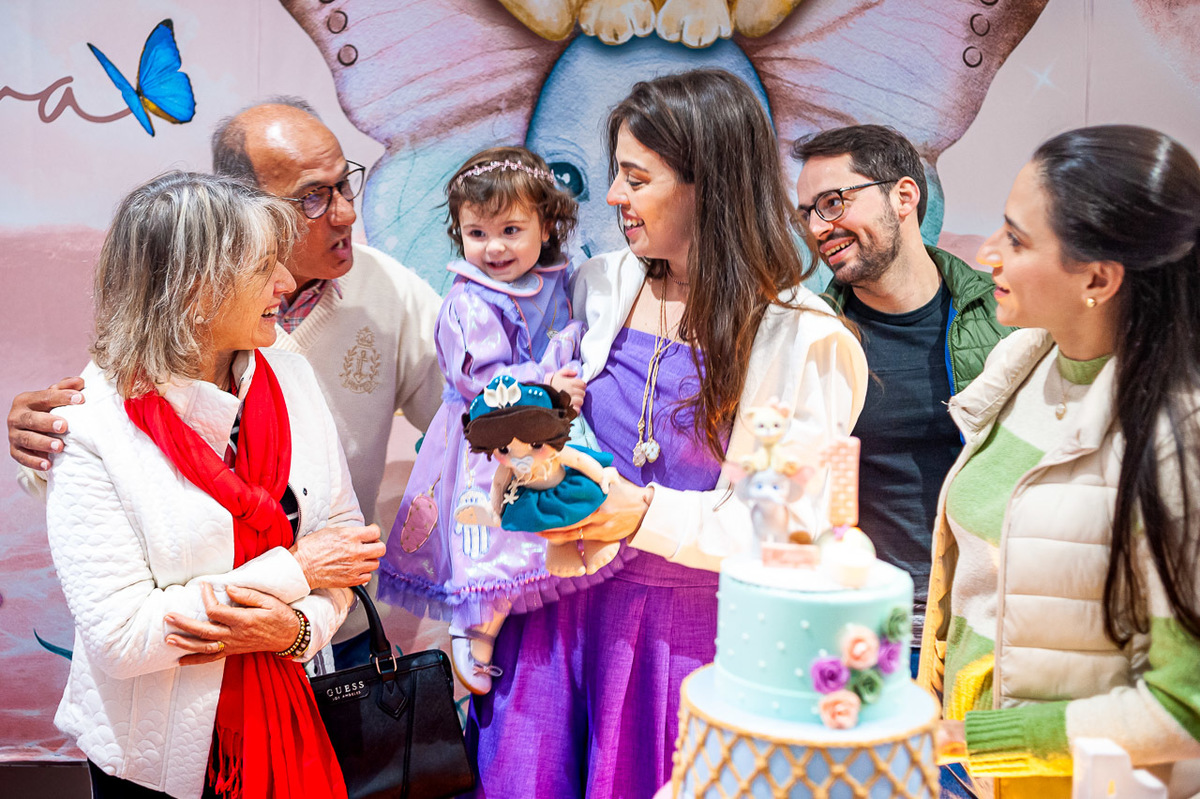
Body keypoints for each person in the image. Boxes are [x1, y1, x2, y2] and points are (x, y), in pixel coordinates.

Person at [468, 69, 868, 798]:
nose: (612, 196)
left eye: (636, 178)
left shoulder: (802, 337)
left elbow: (787, 527)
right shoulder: (598, 285)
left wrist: (643, 513)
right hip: (553, 627)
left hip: (684, 646)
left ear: (707, 186)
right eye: (616, 174)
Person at [9, 98, 445, 664]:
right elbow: (102, 481)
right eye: (313, 196)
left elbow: (464, 422)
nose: (344, 213)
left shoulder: (380, 299)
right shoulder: (141, 370)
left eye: (345, 185)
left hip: (337, 627)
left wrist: (299, 628)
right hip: (189, 659)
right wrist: (41, 445)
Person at [45, 171, 385, 798]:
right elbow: (123, 636)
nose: (286, 283)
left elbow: (341, 546)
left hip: (298, 714)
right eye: (262, 267)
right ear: (192, 287)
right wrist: (295, 571)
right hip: (151, 763)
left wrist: (296, 630)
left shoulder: (289, 372)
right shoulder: (89, 426)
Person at [918, 125, 1200, 799]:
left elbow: (1182, 709)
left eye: (1016, 240)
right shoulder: (1020, 364)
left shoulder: (1175, 439)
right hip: (962, 769)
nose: (988, 252)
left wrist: (978, 741)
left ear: (1097, 278)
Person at [378, 147, 608, 696]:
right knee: (489, 527)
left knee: (550, 520)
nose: (495, 247)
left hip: (545, 425)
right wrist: (549, 380)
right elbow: (482, 381)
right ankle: (474, 625)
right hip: (492, 434)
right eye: (477, 233)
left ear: (546, 226)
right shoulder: (470, 301)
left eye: (510, 230)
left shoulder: (557, 279)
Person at [792, 125, 1013, 664]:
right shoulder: (811, 335)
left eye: (833, 202)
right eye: (807, 214)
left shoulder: (1005, 318)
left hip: (987, 627)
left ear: (904, 196)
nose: (818, 228)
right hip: (862, 631)